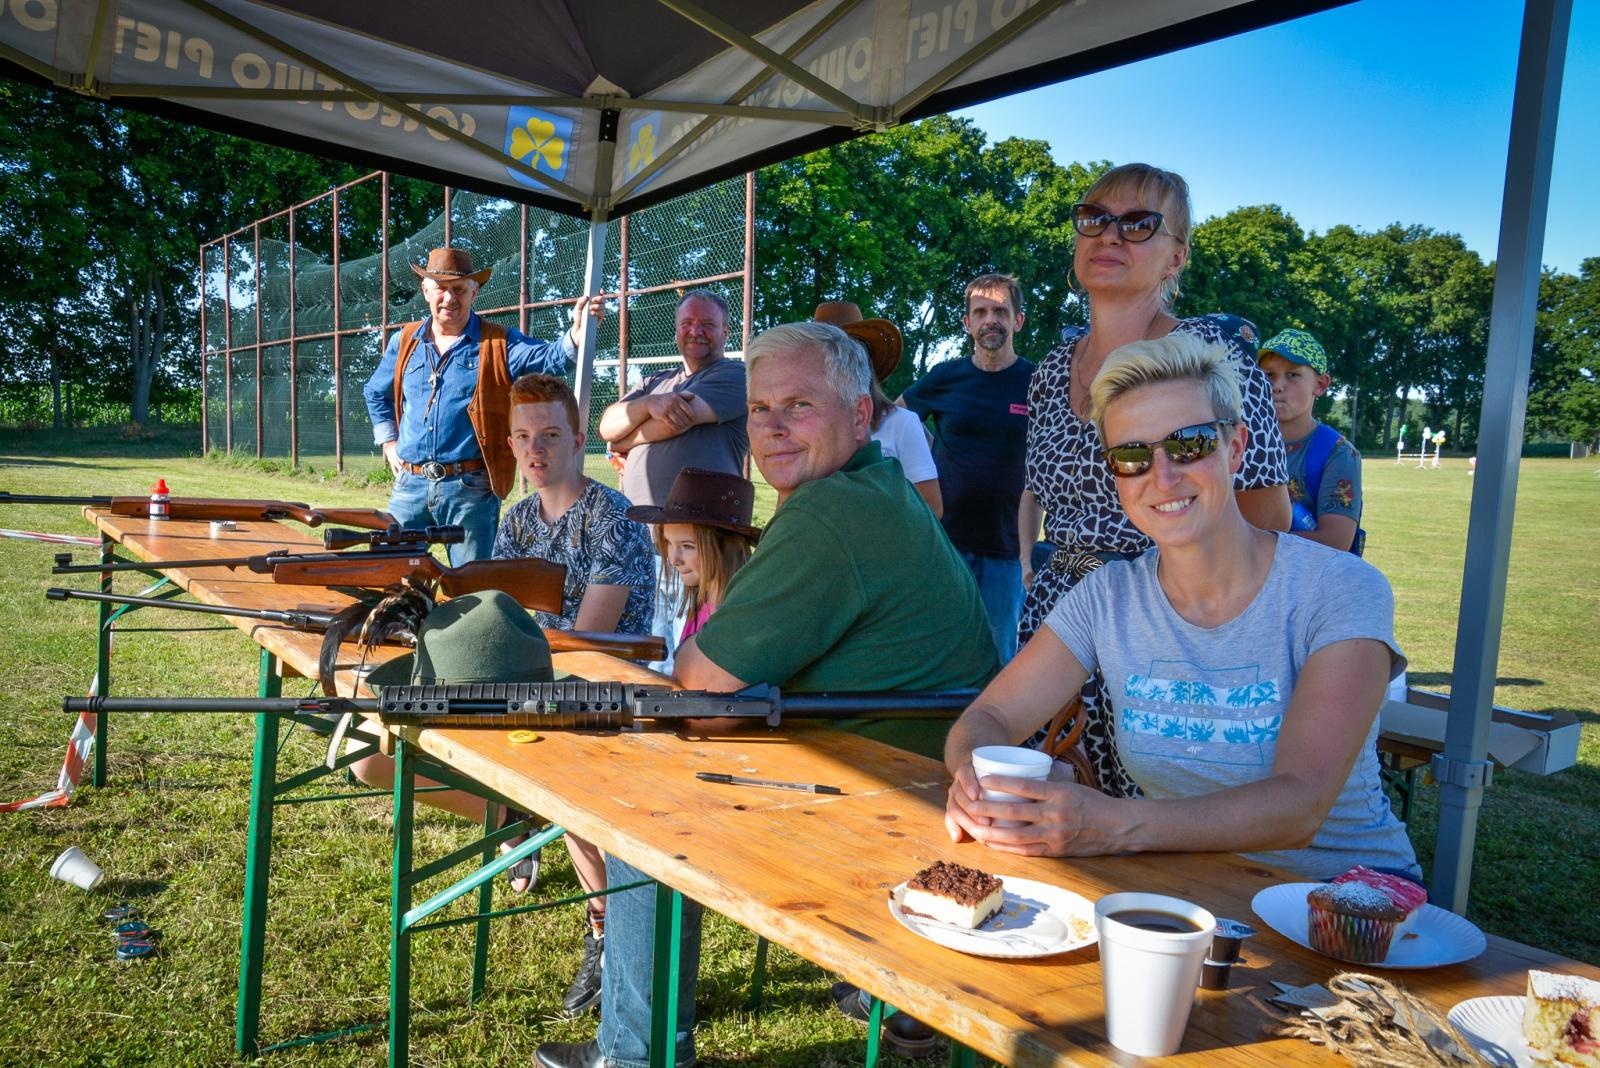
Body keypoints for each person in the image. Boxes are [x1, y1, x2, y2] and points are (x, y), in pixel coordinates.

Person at [534, 321, 999, 1068]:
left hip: (894, 805)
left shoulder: (833, 509)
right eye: (759, 409)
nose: (772, 428)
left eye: (799, 406)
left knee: (637, 811)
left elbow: (699, 687)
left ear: (859, 415)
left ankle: (634, 1056)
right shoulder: (866, 484)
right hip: (907, 776)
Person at [945, 333, 1419, 882]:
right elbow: (988, 718)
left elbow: (1300, 805)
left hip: (1351, 906)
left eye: (1189, 444)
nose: (1163, 476)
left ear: (1236, 448)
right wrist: (973, 780)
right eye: (1131, 455)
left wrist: (1113, 825)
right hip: (1190, 899)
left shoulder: (1339, 589)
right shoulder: (1106, 597)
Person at [1020, 163, 1289, 799]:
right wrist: (1033, 566)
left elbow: (1269, 520)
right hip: (1058, 620)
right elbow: (1040, 495)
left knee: (1164, 820)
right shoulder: (1051, 370)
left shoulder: (1209, 361)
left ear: (1175, 258)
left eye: (1140, 223)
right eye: (1095, 218)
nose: (1111, 235)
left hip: (1170, 629)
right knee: (1054, 812)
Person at [490, 373, 656, 1015]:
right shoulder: (516, 521)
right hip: (540, 691)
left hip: (610, 698)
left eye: (552, 435)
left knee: (562, 776)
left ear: (580, 439)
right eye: (525, 436)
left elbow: (591, 638)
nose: (537, 450)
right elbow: (500, 619)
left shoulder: (611, 514)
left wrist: (514, 641)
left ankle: (607, 930)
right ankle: (510, 818)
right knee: (385, 752)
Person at [362, 247, 603, 565]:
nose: (449, 299)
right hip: (410, 484)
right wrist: (388, 441)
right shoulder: (404, 341)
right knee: (391, 574)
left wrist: (576, 333)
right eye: (441, 289)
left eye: (459, 289)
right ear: (425, 291)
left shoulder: (499, 344)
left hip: (470, 490)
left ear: (474, 292)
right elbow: (375, 392)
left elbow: (550, 358)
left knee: (473, 589)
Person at [599, 289, 749, 666]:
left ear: (726, 332)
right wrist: (647, 405)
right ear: (677, 330)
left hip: (698, 544)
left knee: (691, 649)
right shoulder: (655, 382)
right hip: (643, 541)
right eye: (687, 323)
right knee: (648, 648)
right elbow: (605, 426)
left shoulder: (733, 375)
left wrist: (627, 438)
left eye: (707, 324)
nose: (696, 331)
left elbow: (675, 422)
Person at [901, 273, 1036, 663]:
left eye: (1000, 311)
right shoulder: (947, 377)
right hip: (945, 544)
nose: (990, 319)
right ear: (967, 323)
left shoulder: (1036, 382)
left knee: (997, 661)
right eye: (980, 312)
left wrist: (1029, 556)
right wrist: (929, 457)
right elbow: (898, 423)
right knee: (936, 654)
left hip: (1006, 550)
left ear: (1017, 320)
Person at [813, 301, 941, 516]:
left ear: (865, 361)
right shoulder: (807, 426)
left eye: (846, 355)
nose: (835, 366)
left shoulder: (900, 423)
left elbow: (931, 507)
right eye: (825, 357)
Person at [626, 467, 760, 644]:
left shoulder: (737, 623)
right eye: (669, 543)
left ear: (726, 547)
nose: (674, 559)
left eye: (688, 546)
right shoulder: (702, 606)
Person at [1258, 329, 1363, 554]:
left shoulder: (1338, 453)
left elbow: (1335, 542)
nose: (1277, 386)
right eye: (1268, 375)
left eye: (1292, 375)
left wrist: (1249, 538)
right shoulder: (1241, 444)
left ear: (1321, 384)